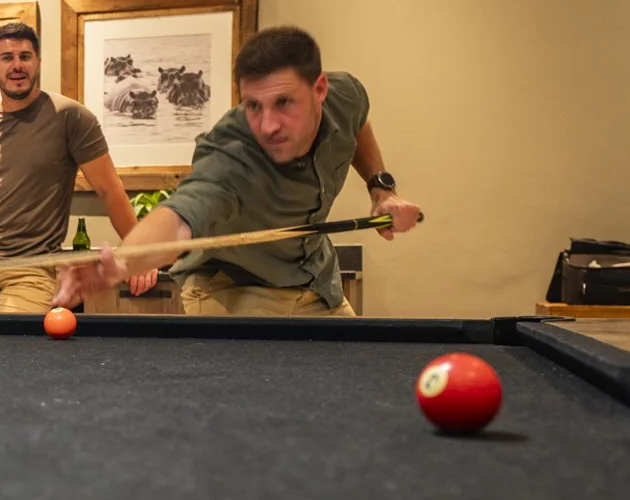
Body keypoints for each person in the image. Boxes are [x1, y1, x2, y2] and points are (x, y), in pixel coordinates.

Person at [55, 25, 421, 316]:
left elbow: (356, 123)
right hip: (231, 291)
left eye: (284, 102)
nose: (267, 125)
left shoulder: (347, 94)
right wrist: (116, 266)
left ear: (320, 89)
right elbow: (181, 217)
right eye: (253, 105)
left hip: (316, 283)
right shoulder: (232, 151)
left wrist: (381, 189)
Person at [0, 21, 154, 313]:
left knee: (19, 354)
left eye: (25, 57)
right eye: (7, 58)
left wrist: (141, 254)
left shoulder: (70, 117)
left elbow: (109, 189)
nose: (17, 66)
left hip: (31, 268)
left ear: (38, 62)